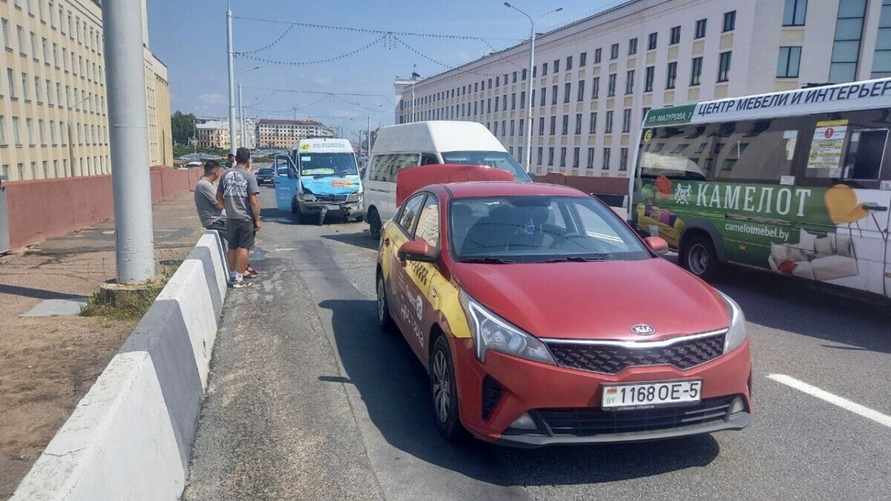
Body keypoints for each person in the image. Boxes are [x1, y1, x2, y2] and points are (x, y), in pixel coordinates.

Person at [217, 147, 262, 288]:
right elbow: (253, 201)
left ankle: (232, 275)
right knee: (244, 247)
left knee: (232, 246)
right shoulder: (249, 176)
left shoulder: (225, 174)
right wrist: (258, 219)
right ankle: (238, 278)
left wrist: (227, 208)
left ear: (236, 159)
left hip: (231, 217)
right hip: (245, 218)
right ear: (248, 160)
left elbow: (218, 197)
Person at [194, 160, 227, 246]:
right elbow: (219, 205)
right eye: (219, 171)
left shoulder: (210, 183)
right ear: (215, 171)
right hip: (214, 221)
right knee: (240, 236)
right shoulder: (204, 185)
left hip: (219, 220)